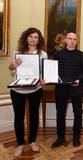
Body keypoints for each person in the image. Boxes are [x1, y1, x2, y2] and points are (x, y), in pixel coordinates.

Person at [8, 27, 47, 157]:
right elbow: (12, 70)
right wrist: (13, 65)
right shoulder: (17, 52)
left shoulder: (43, 54)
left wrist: (43, 80)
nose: (33, 39)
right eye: (31, 36)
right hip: (18, 89)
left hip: (35, 89)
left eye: (36, 37)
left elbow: (44, 72)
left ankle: (32, 141)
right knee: (18, 117)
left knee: (34, 116)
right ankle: (20, 143)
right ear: (26, 38)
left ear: (39, 40)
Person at [51, 32, 83, 148]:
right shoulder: (57, 54)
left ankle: (76, 138)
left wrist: (78, 79)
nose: (72, 41)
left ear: (77, 42)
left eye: (74, 39)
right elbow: (52, 71)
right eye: (70, 39)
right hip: (61, 88)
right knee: (60, 114)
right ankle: (60, 137)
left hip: (76, 88)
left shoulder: (81, 55)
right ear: (65, 40)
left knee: (78, 114)